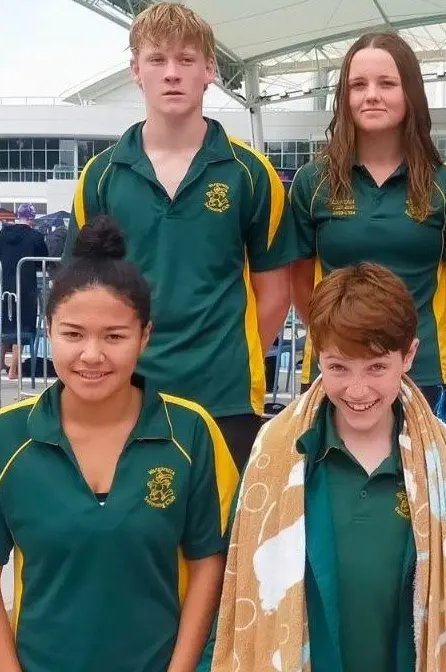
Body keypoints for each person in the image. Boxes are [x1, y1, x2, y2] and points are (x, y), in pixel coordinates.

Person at [209, 262, 446, 672]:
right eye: (338, 367)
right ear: (317, 355)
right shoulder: (276, 450)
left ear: (409, 355)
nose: (358, 389)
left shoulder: (445, 455)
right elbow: (240, 583)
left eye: (377, 367)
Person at [0, 215, 239, 672]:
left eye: (115, 336)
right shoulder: (0, 439)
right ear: (48, 329)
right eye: (73, 334)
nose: (92, 355)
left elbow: (209, 562)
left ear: (145, 337)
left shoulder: (191, 432)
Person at [66, 2, 297, 470]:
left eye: (186, 60)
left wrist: (230, 353)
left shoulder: (250, 174)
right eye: (157, 60)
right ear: (136, 70)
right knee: (133, 534)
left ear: (209, 69)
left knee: (219, 536)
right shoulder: (101, 176)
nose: (172, 74)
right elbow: (80, 293)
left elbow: (275, 293)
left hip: (225, 394)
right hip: (125, 388)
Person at [287, 32, 446, 426]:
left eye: (386, 84)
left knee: (421, 488)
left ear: (411, 93)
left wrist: (413, 334)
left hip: (419, 371)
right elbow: (300, 280)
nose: (371, 95)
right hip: (334, 372)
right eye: (358, 85)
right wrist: (339, 334)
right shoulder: (312, 182)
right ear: (344, 97)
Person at [0, 203, 49, 380]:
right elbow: (43, 261)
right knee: (23, 326)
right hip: (25, 288)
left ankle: (1, 363)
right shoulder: (35, 237)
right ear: (32, 219)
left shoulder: (2, 235)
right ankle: (14, 370)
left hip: (4, 287)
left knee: (5, 325)